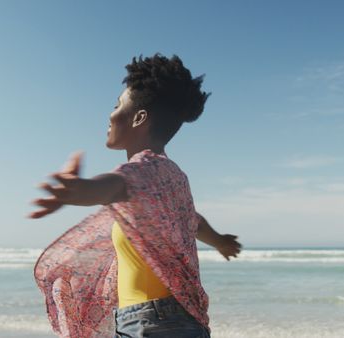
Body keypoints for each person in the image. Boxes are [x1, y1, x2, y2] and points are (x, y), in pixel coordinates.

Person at [29, 53, 242, 338]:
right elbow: (192, 220)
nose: (110, 114)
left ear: (139, 117)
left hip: (151, 324)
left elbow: (116, 184)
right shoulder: (170, 176)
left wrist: (81, 190)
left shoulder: (146, 168)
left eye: (117, 105)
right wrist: (220, 241)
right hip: (171, 322)